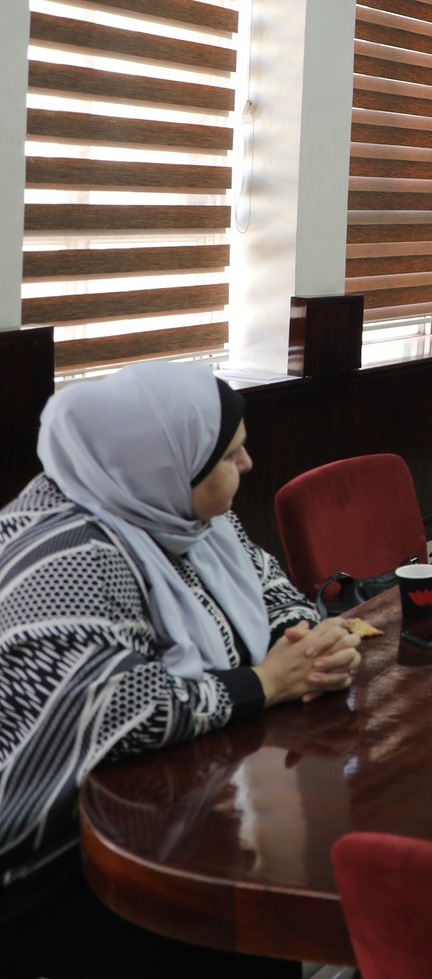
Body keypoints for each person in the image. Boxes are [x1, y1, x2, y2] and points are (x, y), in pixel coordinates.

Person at [0, 363, 358, 978]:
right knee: (237, 921)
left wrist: (306, 640)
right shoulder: (70, 555)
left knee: (253, 896)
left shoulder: (177, 508)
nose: (248, 464)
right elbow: (121, 707)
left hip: (170, 798)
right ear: (169, 463)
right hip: (54, 854)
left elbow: (271, 586)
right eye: (232, 454)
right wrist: (269, 681)